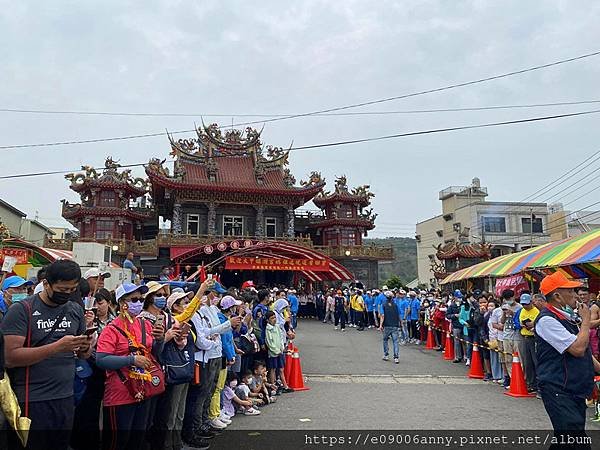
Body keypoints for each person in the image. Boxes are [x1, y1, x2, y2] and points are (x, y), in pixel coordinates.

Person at [1, 260, 92, 450]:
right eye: (62, 289)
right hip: (32, 400)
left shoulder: (74, 309)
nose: (67, 294)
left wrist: (85, 348)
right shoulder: (22, 310)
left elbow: (82, 355)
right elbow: (9, 358)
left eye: (72, 290)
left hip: (66, 397)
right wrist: (56, 347)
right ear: (46, 284)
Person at [95, 282, 165, 450]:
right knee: (117, 441)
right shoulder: (111, 329)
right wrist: (131, 360)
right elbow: (101, 359)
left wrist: (160, 339)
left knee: (137, 439)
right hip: (120, 393)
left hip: (143, 390)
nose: (139, 303)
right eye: (134, 299)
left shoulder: (144, 324)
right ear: (121, 302)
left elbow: (155, 353)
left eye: (141, 299)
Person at [535, 271, 600, 445]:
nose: (575, 295)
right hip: (558, 387)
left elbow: (584, 348)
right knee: (572, 437)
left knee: (571, 437)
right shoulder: (547, 320)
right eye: (570, 292)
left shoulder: (567, 317)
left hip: (573, 387)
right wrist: (586, 321)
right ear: (557, 296)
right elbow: (578, 349)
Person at [379, 290, 400, 364]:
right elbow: (399, 314)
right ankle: (396, 357)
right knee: (395, 341)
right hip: (395, 325)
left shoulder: (383, 305)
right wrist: (400, 323)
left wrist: (381, 325)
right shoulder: (396, 305)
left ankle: (386, 355)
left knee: (385, 340)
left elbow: (382, 315)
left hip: (387, 325)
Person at [446, 291, 464, 363]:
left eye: (460, 297)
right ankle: (458, 357)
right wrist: (454, 315)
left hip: (465, 325)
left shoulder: (464, 304)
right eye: (458, 297)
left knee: (465, 342)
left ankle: (466, 357)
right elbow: (447, 315)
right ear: (455, 297)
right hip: (456, 325)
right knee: (457, 342)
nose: (460, 299)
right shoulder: (452, 305)